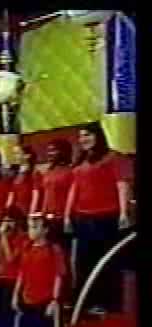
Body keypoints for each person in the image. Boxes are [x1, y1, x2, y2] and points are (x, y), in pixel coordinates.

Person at [64, 122, 132, 314]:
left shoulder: (113, 158)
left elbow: (122, 184)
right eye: (81, 136)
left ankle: (108, 305)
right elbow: (74, 189)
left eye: (87, 135)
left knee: (106, 263)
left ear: (98, 136)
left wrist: (124, 212)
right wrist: (68, 215)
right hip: (83, 219)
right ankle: (87, 303)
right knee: (84, 263)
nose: (83, 139)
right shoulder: (80, 162)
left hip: (106, 217)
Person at [9, 213, 66, 327]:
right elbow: (22, 273)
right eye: (30, 227)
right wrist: (16, 294)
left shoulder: (53, 249)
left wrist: (54, 299)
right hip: (28, 297)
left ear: (45, 230)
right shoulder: (26, 248)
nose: (32, 231)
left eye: (35, 227)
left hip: (46, 298)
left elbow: (59, 275)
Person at [40, 139, 74, 250]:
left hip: (63, 219)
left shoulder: (70, 171)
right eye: (48, 151)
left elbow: (72, 195)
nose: (49, 153)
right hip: (48, 218)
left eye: (53, 150)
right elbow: (46, 194)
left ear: (63, 152)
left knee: (63, 249)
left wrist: (67, 217)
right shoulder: (48, 172)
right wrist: (43, 215)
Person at [7, 146, 42, 216]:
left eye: (17, 153)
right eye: (13, 154)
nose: (14, 156)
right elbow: (11, 195)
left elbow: (35, 196)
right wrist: (7, 210)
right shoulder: (16, 174)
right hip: (17, 213)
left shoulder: (34, 173)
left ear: (27, 156)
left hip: (27, 213)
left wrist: (31, 213)